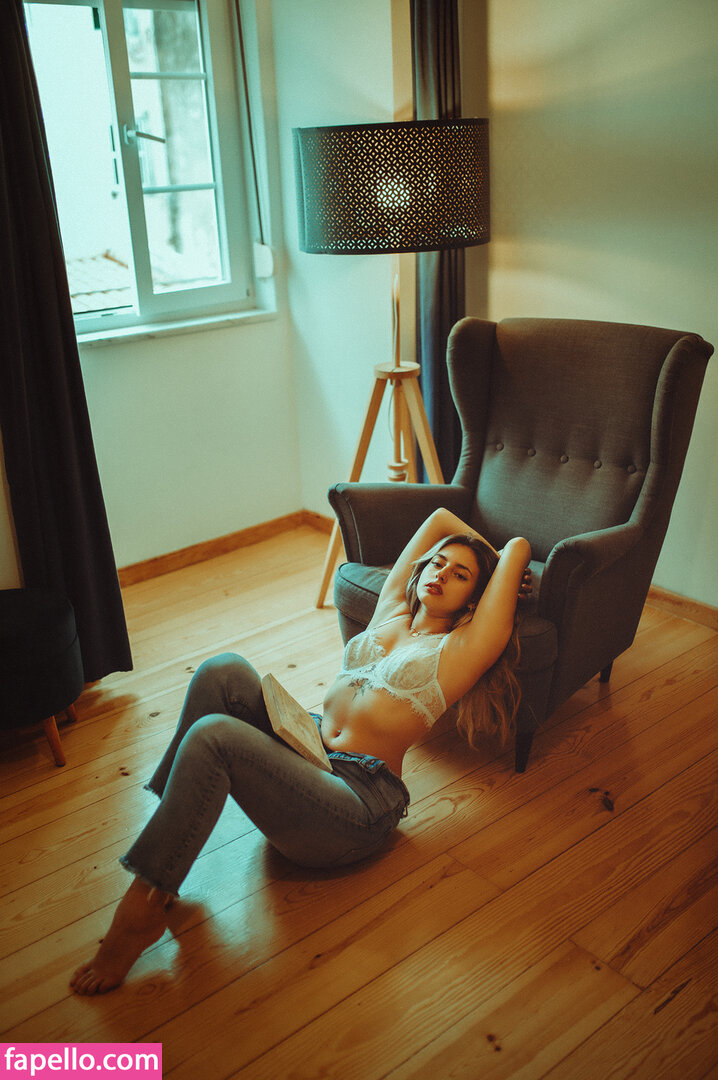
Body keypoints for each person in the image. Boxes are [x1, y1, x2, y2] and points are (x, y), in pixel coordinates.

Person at [70, 508, 530, 995]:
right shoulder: (392, 610)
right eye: (437, 563)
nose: (441, 574)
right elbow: (438, 519)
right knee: (221, 671)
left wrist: (499, 562)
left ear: (476, 598)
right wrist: (474, 555)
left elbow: (519, 547)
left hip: (358, 800)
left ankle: (141, 909)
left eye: (460, 575)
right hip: (309, 745)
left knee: (214, 736)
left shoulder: (463, 648)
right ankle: (166, 850)